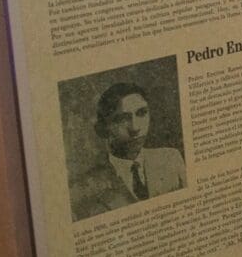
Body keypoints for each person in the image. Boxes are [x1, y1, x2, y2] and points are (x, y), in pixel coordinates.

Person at [69, 81, 186, 221]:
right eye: (122, 119)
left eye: (142, 113)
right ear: (102, 129)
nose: (135, 128)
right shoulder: (82, 189)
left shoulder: (170, 158)